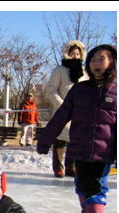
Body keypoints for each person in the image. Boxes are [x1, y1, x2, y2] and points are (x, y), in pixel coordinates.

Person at [37, 44, 117, 213]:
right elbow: (60, 116)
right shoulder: (79, 89)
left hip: (104, 151)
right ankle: (87, 209)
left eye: (101, 59)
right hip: (79, 146)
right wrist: (45, 141)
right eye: (93, 60)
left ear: (113, 62)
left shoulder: (118, 91)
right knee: (80, 183)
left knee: (96, 185)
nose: (96, 63)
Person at [46, 40, 88, 178]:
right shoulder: (59, 70)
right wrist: (62, 105)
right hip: (63, 109)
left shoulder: (84, 71)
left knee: (74, 139)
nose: (75, 56)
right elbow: (51, 89)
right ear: (67, 53)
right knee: (60, 139)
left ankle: (71, 167)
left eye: (78, 53)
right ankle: (58, 167)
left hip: (79, 111)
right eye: (73, 53)